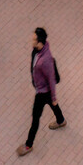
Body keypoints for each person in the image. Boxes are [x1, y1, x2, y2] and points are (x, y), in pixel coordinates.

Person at [17, 26, 65, 156]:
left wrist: (54, 97)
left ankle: (28, 145)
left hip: (43, 92)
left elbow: (51, 79)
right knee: (53, 105)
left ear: (40, 42)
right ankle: (61, 120)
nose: (31, 41)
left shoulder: (46, 60)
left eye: (33, 39)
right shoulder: (36, 50)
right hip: (42, 89)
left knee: (35, 119)